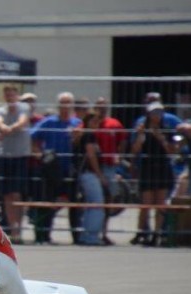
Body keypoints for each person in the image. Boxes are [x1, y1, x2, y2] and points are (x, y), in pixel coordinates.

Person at [31, 92, 82, 244]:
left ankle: (77, 236)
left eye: (68, 103)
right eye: (62, 103)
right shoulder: (48, 122)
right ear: (58, 105)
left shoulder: (77, 123)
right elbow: (32, 138)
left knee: (75, 205)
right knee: (47, 204)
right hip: (51, 170)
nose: (65, 106)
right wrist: (39, 155)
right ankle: (43, 236)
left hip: (71, 170)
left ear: (72, 106)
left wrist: (77, 137)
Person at [130, 101, 177, 246]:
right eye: (154, 112)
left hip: (162, 166)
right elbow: (135, 150)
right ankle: (141, 232)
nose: (157, 115)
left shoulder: (168, 129)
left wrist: (161, 137)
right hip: (147, 166)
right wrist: (140, 135)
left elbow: (172, 150)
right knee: (146, 203)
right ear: (148, 114)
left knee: (160, 202)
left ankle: (157, 233)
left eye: (159, 112)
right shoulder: (142, 128)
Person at [0, 84, 32, 243]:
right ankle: (13, 229)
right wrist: (4, 128)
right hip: (5, 156)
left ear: (17, 95)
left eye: (12, 94)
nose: (10, 97)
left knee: (18, 194)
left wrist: (8, 129)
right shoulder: (1, 110)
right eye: (7, 95)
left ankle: (19, 228)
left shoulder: (24, 107)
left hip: (20, 156)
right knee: (7, 195)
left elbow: (22, 122)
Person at [91, 97, 127, 245]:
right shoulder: (91, 123)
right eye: (98, 105)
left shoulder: (114, 123)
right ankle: (92, 232)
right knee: (94, 201)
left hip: (109, 166)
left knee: (108, 200)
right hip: (93, 166)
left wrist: (119, 154)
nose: (101, 108)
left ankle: (104, 232)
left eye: (104, 105)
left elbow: (123, 140)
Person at [73, 112, 108, 245]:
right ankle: (91, 236)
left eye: (98, 122)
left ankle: (85, 234)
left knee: (90, 204)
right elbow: (91, 155)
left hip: (85, 174)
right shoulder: (89, 135)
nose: (96, 124)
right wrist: (99, 174)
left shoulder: (83, 134)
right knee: (96, 204)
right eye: (94, 121)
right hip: (89, 174)